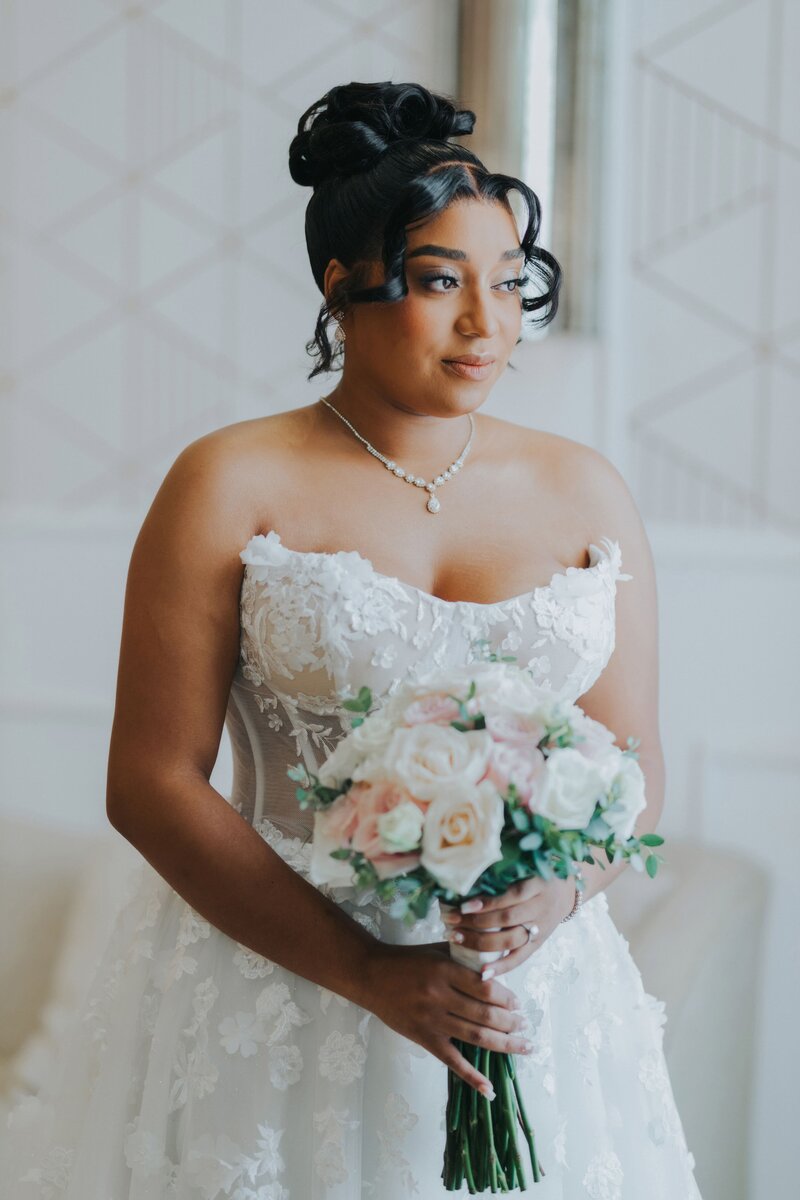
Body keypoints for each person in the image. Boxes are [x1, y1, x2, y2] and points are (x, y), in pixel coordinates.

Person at [1, 80, 702, 1198]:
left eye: (508, 283)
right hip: (274, 990)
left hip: (526, 995)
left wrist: (559, 896)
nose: (487, 322)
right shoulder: (228, 481)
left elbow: (633, 761)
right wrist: (369, 971)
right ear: (342, 287)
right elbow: (149, 781)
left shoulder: (584, 491)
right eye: (439, 283)